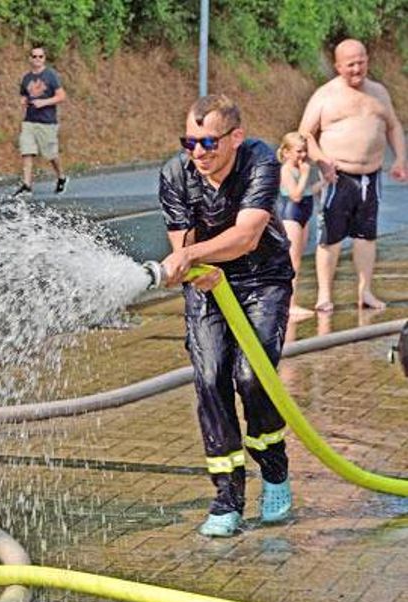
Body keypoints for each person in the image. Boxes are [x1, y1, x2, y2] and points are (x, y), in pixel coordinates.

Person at [158, 94, 294, 538]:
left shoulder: (259, 161)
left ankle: (274, 472)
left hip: (262, 279)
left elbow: (247, 236)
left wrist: (192, 256)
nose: (197, 153)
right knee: (211, 376)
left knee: (253, 377)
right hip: (206, 287)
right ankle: (227, 496)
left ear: (236, 137)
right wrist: (190, 265)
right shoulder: (176, 173)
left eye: (209, 143)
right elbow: (183, 246)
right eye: (189, 142)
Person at [298, 38, 408, 312]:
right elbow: (304, 135)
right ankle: (324, 295)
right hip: (337, 177)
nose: (357, 69)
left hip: (370, 177)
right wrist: (321, 161)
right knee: (331, 238)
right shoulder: (325, 95)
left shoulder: (379, 92)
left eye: (361, 62)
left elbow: (393, 126)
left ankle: (365, 292)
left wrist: (400, 159)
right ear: (338, 66)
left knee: (366, 236)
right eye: (350, 64)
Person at [276, 131, 326, 319]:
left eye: (304, 151)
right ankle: (289, 303)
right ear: (287, 152)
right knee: (292, 260)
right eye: (298, 151)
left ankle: (291, 301)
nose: (302, 155)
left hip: (304, 213)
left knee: (298, 258)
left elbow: (307, 191)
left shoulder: (299, 168)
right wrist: (305, 174)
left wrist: (323, 182)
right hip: (291, 214)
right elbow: (295, 195)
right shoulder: (286, 170)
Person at [14, 45, 68, 197]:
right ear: (30, 58)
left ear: (44, 59)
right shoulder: (26, 78)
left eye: (40, 56)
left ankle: (61, 177)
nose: (37, 59)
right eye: (34, 56)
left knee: (50, 154)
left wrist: (44, 103)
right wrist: (23, 101)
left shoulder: (51, 75)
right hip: (29, 120)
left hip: (47, 121)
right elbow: (24, 94)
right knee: (27, 151)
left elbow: (61, 96)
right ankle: (26, 185)